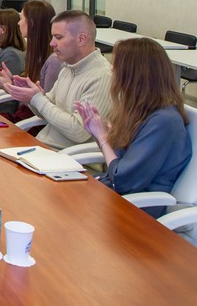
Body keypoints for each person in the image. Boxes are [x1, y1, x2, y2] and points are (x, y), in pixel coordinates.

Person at [75, 37, 191, 218]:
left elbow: (122, 179)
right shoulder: (141, 111)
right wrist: (98, 132)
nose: (112, 70)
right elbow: (116, 163)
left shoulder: (163, 121)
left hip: (137, 209)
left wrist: (102, 136)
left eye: (116, 66)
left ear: (133, 74)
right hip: (118, 197)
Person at [2, 10, 113, 149]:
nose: (52, 43)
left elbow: (79, 132)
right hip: (43, 147)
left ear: (81, 39)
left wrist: (38, 99)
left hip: (67, 156)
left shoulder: (102, 77)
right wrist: (30, 96)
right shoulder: (68, 67)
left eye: (58, 37)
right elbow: (45, 111)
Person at [0, 0, 61, 95]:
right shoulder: (33, 53)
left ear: (31, 23)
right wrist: (12, 80)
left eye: (21, 19)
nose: (18, 23)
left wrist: (9, 84)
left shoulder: (53, 61)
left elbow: (42, 102)